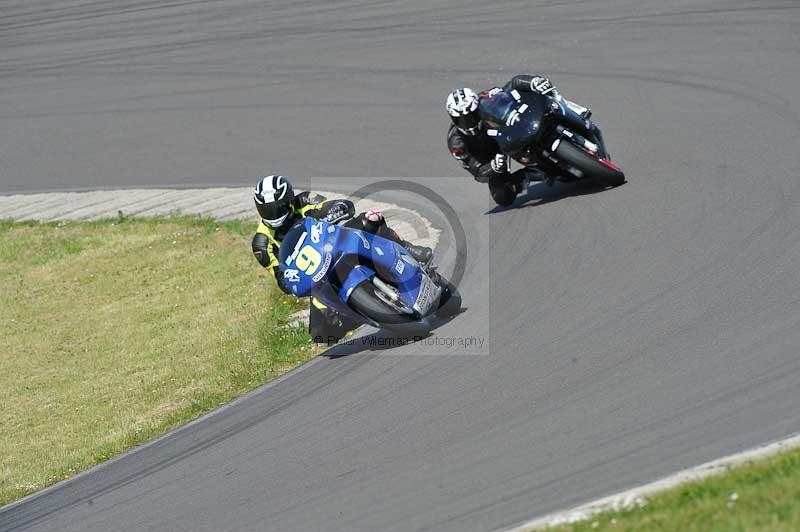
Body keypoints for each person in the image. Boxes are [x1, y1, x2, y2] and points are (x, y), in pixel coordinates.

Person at [251, 175, 432, 345]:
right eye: (266, 210)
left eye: (277, 208)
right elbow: (280, 277)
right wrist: (290, 281)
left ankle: (407, 248)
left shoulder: (304, 200)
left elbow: (330, 206)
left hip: (334, 244)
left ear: (289, 200)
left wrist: (337, 209)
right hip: (316, 276)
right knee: (321, 334)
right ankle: (361, 311)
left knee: (369, 219)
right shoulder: (262, 244)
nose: (273, 214)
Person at [446, 75, 602, 205]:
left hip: (505, 133)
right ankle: (535, 174)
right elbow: (476, 170)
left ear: (477, 107)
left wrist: (533, 82)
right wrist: (493, 167)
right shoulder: (456, 143)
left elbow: (511, 86)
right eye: (461, 119)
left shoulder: (487, 99)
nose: (468, 122)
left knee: (547, 96)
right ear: (453, 118)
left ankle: (572, 110)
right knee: (502, 195)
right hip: (494, 154)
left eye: (471, 116)